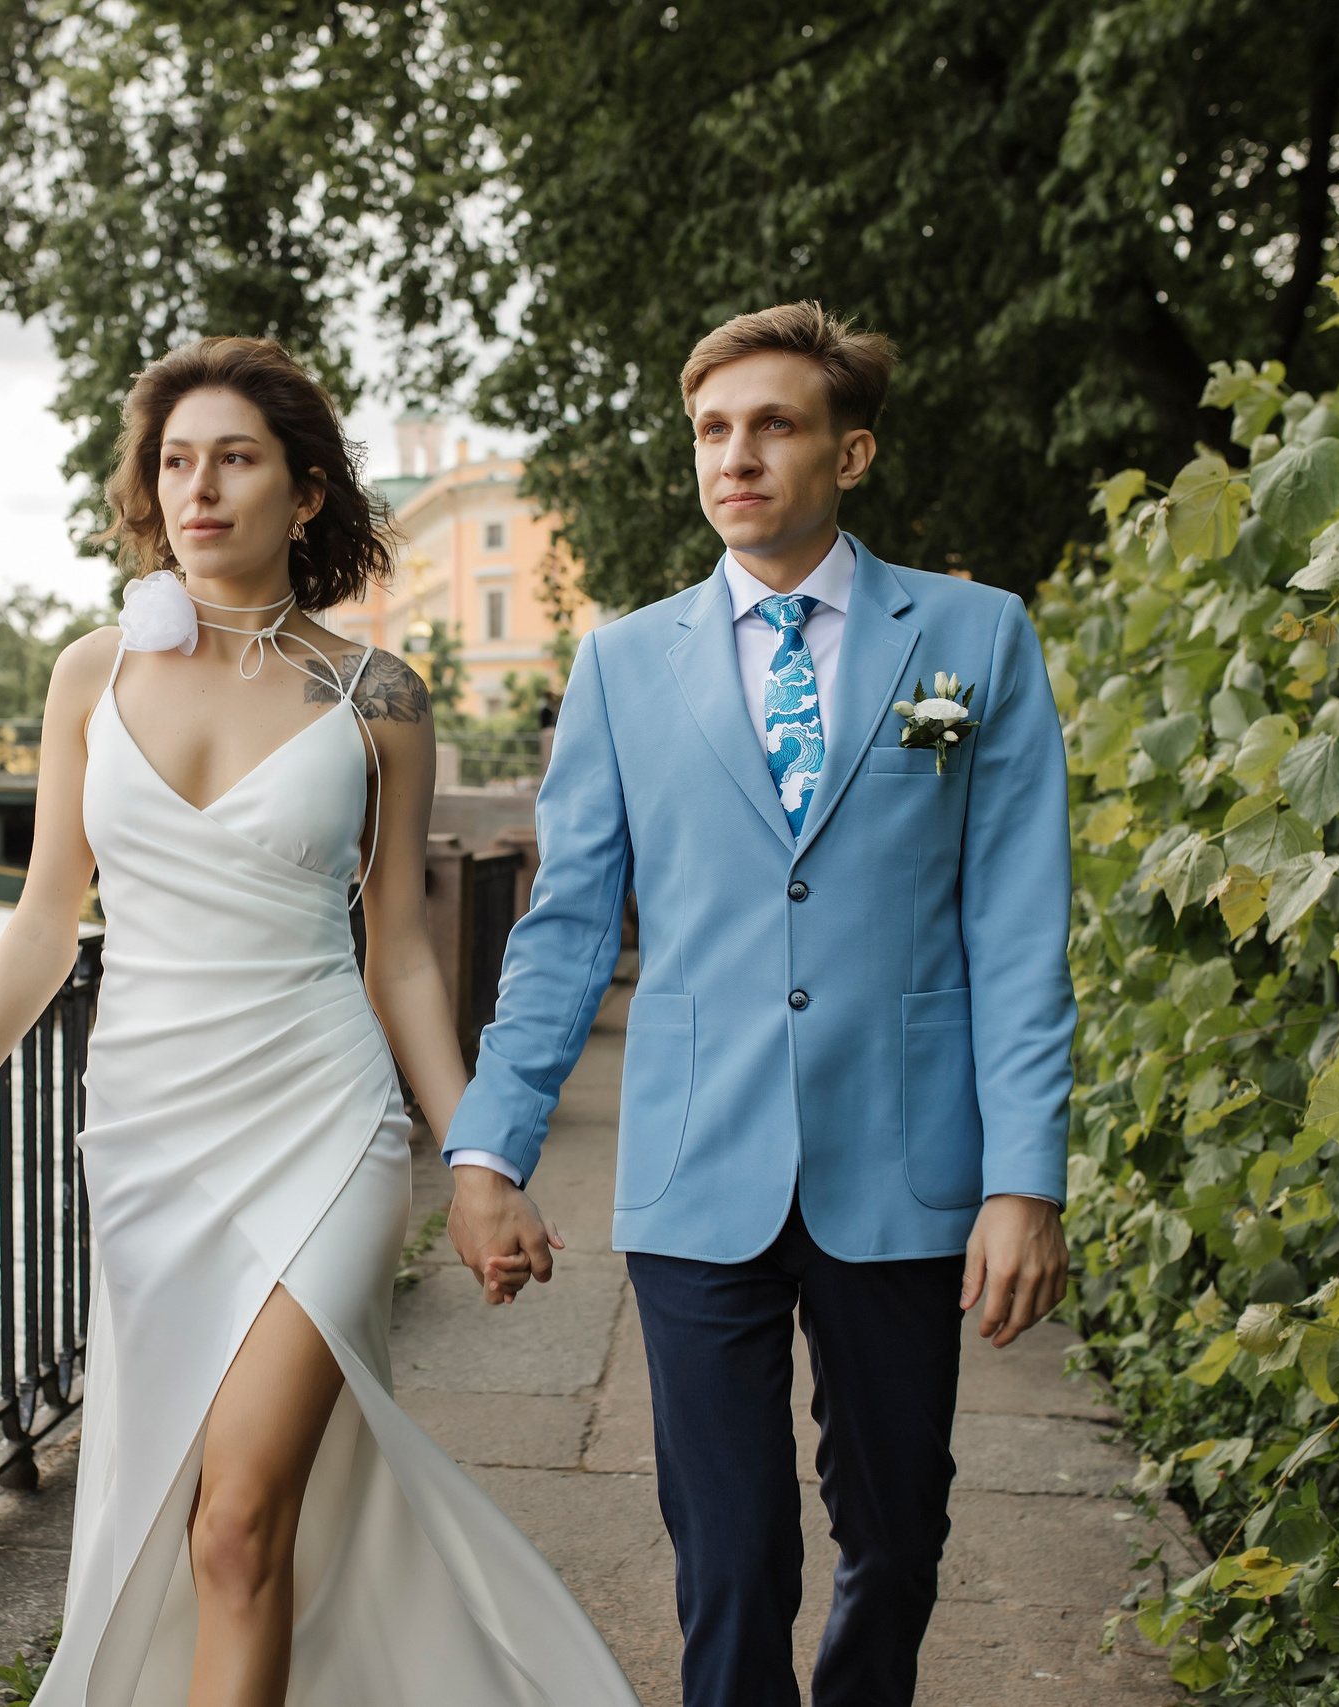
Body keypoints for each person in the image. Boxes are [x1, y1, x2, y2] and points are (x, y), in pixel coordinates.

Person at [0, 336, 639, 1707]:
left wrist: (480, 1162)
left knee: (238, 1523)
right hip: (148, 1133)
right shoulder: (87, 674)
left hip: (323, 1119)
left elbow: (401, 958)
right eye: (175, 462)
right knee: (187, 1518)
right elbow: (50, 920)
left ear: (304, 493)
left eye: (235, 458)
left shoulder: (379, 697)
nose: (199, 488)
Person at [444, 302, 1076, 1707]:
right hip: (695, 1158)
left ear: (849, 454)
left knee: (900, 1535)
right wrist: (492, 1152)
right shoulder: (623, 663)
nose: (738, 456)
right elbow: (561, 931)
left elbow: (1020, 927)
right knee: (729, 1562)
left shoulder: (975, 639)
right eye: (714, 431)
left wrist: (1025, 1180)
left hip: (906, 1160)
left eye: (775, 425)